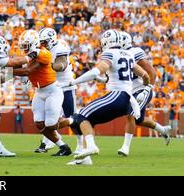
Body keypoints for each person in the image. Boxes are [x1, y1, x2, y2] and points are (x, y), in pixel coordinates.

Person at [61, 30, 151, 165]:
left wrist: (74, 82)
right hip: (127, 99)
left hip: (117, 95)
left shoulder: (110, 53)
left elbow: (97, 71)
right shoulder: (129, 55)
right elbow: (146, 76)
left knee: (80, 116)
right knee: (89, 120)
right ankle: (85, 159)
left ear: (106, 42)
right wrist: (146, 88)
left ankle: (91, 147)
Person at [14, 30, 72, 156]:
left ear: (34, 43)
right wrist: (0, 71)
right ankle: (63, 147)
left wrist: (6, 71)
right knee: (40, 124)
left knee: (50, 123)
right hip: (39, 92)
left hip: (52, 90)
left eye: (26, 44)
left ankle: (73, 120)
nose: (24, 48)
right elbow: (17, 64)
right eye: (23, 44)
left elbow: (27, 71)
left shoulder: (44, 54)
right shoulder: (30, 53)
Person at [116, 31, 172, 156]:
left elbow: (151, 71)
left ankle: (125, 148)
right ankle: (163, 130)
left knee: (131, 114)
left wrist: (148, 88)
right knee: (139, 120)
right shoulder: (119, 54)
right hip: (131, 91)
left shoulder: (135, 52)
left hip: (142, 89)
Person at [33, 28, 82, 154]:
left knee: (71, 116)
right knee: (48, 119)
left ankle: (81, 145)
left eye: (44, 42)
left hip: (65, 86)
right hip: (50, 87)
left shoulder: (60, 48)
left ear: (51, 41)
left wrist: (46, 66)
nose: (42, 45)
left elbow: (62, 65)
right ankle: (46, 143)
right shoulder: (42, 49)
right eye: (41, 42)